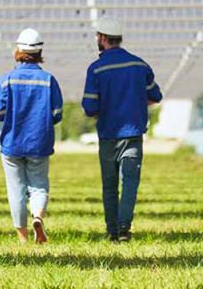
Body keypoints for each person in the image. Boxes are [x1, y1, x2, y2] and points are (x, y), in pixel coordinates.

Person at [81, 17, 162, 242]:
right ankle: (125, 227)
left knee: (109, 185)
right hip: (133, 134)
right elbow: (155, 96)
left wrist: (106, 109)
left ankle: (112, 230)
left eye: (98, 36)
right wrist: (134, 103)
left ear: (104, 38)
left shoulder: (96, 69)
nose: (97, 39)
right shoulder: (140, 65)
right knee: (130, 182)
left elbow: (89, 107)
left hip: (108, 135)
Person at [0, 28, 63, 244]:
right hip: (39, 143)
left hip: (12, 143)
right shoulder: (49, 80)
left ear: (18, 49)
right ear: (40, 52)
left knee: (16, 190)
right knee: (39, 185)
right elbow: (57, 115)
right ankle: (38, 216)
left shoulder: (7, 80)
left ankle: (22, 237)